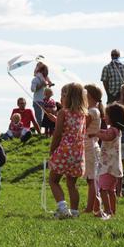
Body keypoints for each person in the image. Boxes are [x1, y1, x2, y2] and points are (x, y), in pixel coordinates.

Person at [48, 83, 87, 219]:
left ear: (67, 96)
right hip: (78, 154)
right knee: (72, 184)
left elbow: (58, 133)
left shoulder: (63, 112)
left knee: (53, 180)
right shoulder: (83, 114)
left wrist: (52, 150)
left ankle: (63, 208)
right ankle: (74, 212)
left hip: (64, 151)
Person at [97, 103, 124, 218]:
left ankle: (107, 211)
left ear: (113, 117)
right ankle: (112, 211)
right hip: (113, 166)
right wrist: (98, 131)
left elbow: (107, 136)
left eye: (107, 115)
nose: (105, 117)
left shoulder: (113, 130)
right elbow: (105, 132)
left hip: (108, 166)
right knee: (111, 190)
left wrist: (95, 133)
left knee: (103, 189)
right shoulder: (116, 130)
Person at [83, 84, 104, 217]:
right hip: (89, 147)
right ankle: (92, 205)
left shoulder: (92, 111)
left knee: (92, 179)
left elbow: (81, 126)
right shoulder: (93, 110)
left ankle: (90, 207)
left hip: (90, 148)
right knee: (90, 179)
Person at [30, 63, 53, 129]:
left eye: (46, 71)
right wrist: (41, 85)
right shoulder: (36, 79)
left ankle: (44, 132)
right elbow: (32, 89)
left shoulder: (46, 79)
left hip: (45, 101)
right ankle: (39, 132)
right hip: (38, 101)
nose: (46, 72)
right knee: (39, 118)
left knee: (46, 118)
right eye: (45, 70)